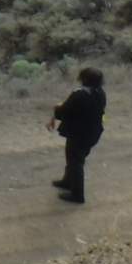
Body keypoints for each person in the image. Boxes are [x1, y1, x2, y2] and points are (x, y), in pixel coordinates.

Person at [48, 67, 107, 204]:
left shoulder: (79, 95)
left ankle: (77, 194)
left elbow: (63, 112)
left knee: (75, 162)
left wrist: (57, 108)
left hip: (78, 134)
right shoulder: (100, 93)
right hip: (93, 133)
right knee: (76, 158)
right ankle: (68, 182)